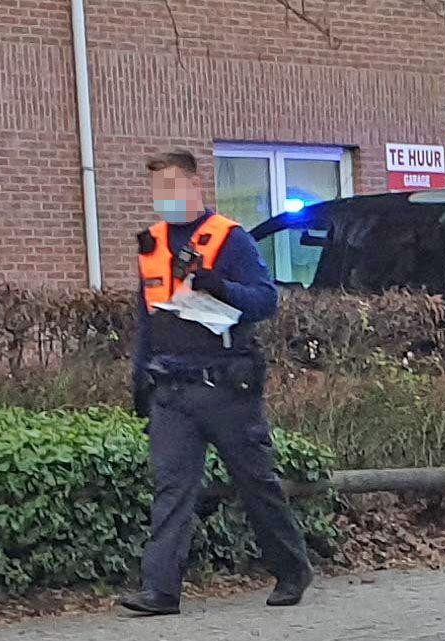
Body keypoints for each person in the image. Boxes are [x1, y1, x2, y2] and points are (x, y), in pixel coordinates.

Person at [119, 149, 313, 616]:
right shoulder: (153, 243)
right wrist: (139, 379)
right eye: (156, 189)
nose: (162, 197)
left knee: (254, 482)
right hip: (171, 388)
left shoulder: (230, 239)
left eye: (170, 186)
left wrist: (219, 286)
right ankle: (160, 590)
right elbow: (147, 319)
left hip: (226, 387)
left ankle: (292, 569)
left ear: (193, 185)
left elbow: (266, 301)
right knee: (170, 488)